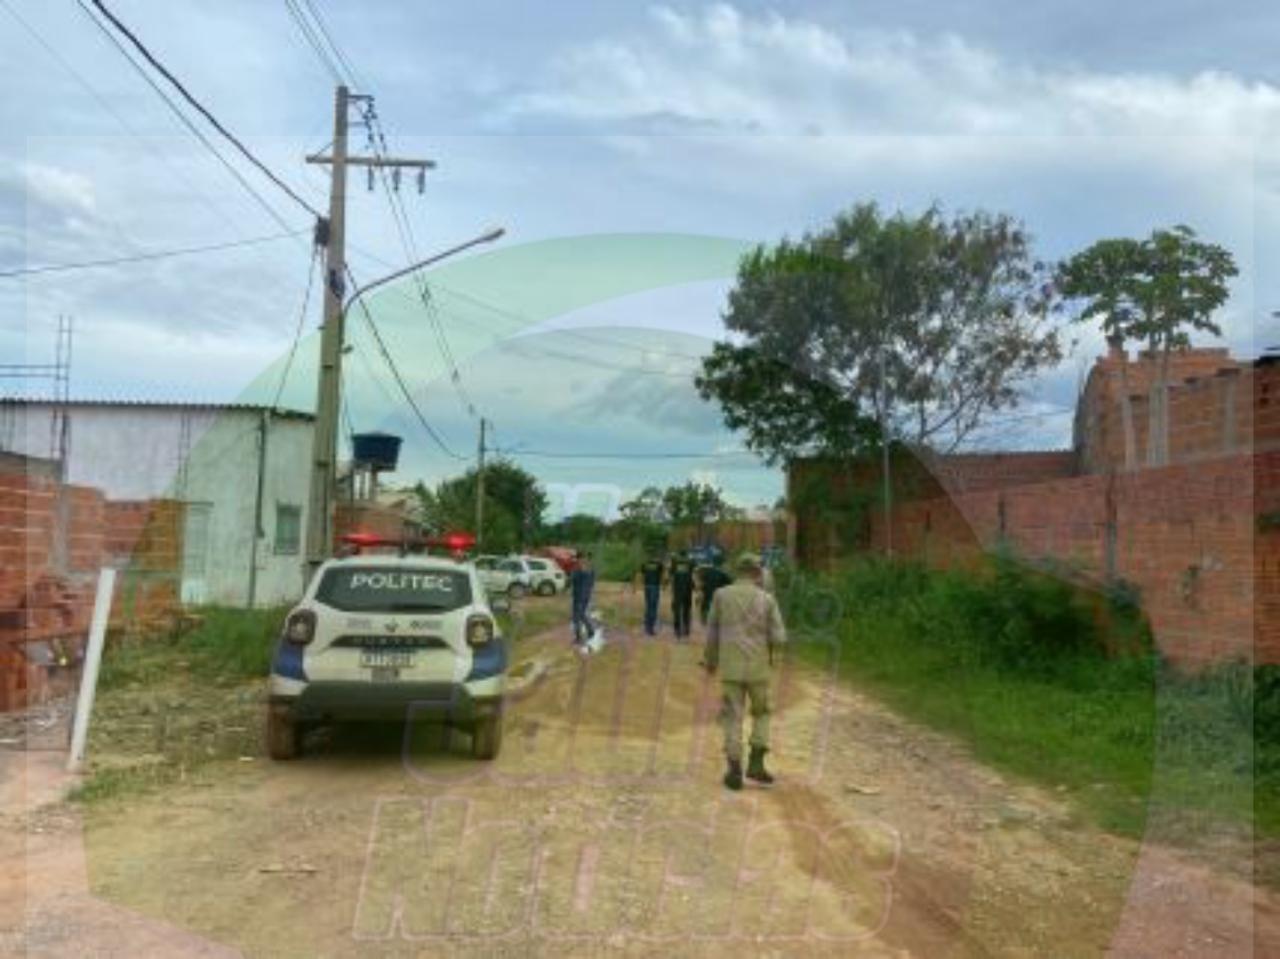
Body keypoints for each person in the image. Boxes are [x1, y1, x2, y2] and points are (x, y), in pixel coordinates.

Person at [703, 552, 787, 790]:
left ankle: (734, 768)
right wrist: (772, 654)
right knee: (761, 713)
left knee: (732, 716)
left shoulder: (721, 596)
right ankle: (757, 762)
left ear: (737, 571)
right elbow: (779, 636)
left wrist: (710, 661)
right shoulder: (767, 599)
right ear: (757, 573)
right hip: (759, 668)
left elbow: (712, 632)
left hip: (730, 667)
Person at [635, 551, 665, 637]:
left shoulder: (645, 564)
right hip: (655, 586)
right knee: (653, 606)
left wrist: (638, 585)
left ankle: (647, 626)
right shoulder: (659, 564)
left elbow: (640, 575)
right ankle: (650, 628)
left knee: (648, 606)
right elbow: (663, 575)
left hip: (647, 586)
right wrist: (663, 585)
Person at [569, 551, 595, 646]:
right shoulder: (590, 569)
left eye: (577, 558)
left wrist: (572, 571)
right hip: (585, 595)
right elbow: (592, 583)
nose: (577, 560)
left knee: (577, 617)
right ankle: (589, 631)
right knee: (581, 615)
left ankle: (580, 636)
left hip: (579, 596)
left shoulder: (578, 569)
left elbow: (571, 580)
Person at [698, 555, 732, 625]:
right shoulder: (723, 574)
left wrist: (701, 591)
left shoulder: (707, 572)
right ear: (722, 563)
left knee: (706, 606)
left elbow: (702, 583)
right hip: (719, 596)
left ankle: (704, 620)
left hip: (707, 594)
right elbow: (729, 584)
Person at [669, 549, 695, 639]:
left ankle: (677, 630)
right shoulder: (691, 561)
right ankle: (686, 629)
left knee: (677, 609)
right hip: (688, 587)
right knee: (687, 608)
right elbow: (693, 574)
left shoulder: (674, 561)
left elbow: (671, 574)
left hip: (677, 588)